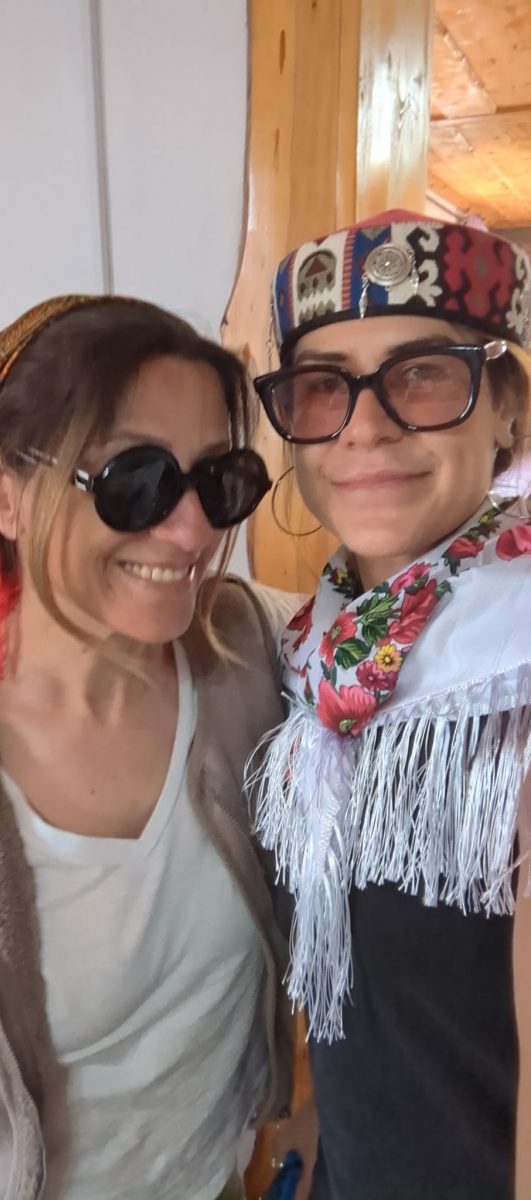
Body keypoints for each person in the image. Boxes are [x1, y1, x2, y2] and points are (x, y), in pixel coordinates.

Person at [0, 294, 297, 1200]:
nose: (192, 531)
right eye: (136, 479)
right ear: (2, 490)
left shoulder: (249, 651)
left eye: (220, 479)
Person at [251, 210, 531, 1200]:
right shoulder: (313, 655)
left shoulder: (513, 671)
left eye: (422, 374)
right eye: (323, 386)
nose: (363, 427)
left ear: (507, 408)